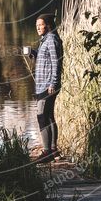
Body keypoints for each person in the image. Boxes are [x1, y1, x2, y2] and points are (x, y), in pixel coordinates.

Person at [28, 13, 64, 163]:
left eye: (40, 24)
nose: (38, 27)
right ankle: (53, 150)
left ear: (48, 25)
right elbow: (47, 59)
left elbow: (56, 63)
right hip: (44, 85)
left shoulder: (51, 40)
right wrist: (34, 53)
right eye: (36, 25)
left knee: (42, 116)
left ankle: (47, 152)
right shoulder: (46, 40)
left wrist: (53, 84)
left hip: (47, 86)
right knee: (48, 116)